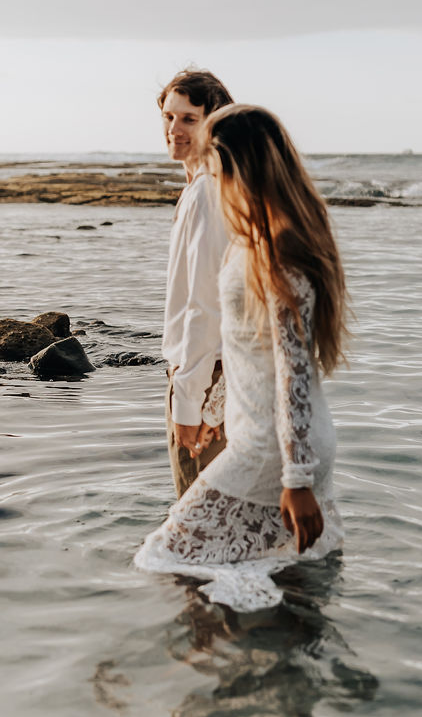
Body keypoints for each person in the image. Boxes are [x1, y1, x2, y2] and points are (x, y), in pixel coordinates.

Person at [136, 104, 348, 610]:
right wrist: (213, 411)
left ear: (236, 166)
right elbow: (247, 349)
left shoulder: (280, 250)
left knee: (166, 557)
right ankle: (267, 648)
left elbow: (294, 372)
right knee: (279, 571)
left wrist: (297, 480)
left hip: (276, 451)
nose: (209, 177)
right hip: (272, 440)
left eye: (213, 163)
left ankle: (218, 649)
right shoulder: (255, 236)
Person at [158, 68, 233, 498]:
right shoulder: (204, 188)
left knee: (198, 518)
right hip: (212, 377)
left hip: (205, 380)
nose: (174, 129)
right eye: (169, 117)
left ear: (213, 123)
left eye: (189, 119)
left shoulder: (207, 192)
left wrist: (190, 403)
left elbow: (205, 305)